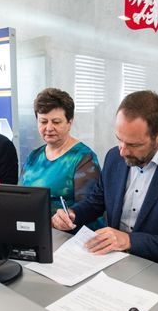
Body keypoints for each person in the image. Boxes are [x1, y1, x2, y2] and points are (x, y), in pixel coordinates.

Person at [53, 90, 158, 272]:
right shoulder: (114, 157)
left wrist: (129, 240)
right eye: (119, 139)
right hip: (111, 264)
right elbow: (97, 201)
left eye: (134, 145)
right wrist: (73, 214)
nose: (123, 151)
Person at [20, 88, 104, 228]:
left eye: (56, 122)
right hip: (34, 230)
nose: (49, 128)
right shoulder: (34, 156)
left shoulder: (84, 158)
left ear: (69, 122)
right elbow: (20, 199)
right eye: (43, 121)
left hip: (69, 235)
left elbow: (89, 210)